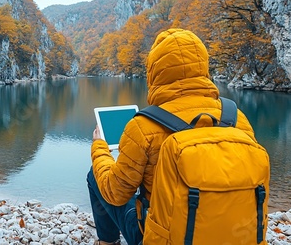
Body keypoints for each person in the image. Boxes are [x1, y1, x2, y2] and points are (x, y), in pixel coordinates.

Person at [86, 28, 257, 245]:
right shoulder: (236, 118)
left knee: (97, 174)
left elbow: (115, 193)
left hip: (165, 239)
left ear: (155, 72)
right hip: (232, 236)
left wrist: (99, 147)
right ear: (203, 65)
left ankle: (107, 242)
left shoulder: (142, 126)